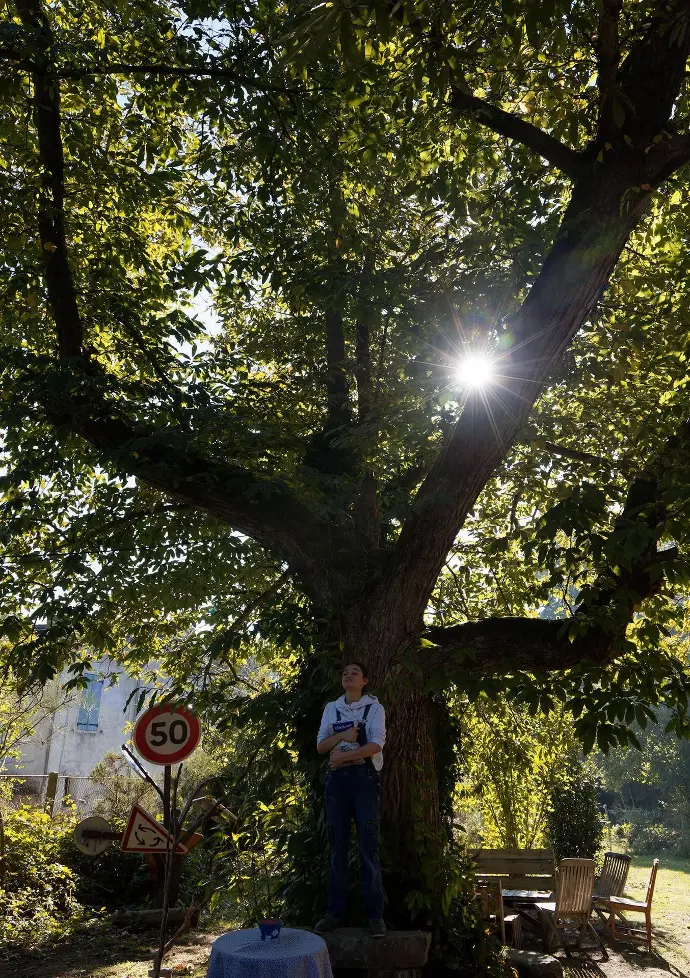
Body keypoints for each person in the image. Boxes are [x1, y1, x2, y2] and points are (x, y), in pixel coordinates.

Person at [314, 662, 387, 938]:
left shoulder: (374, 709)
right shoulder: (331, 708)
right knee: (338, 848)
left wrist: (343, 755)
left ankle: (375, 917)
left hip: (364, 780)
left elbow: (376, 744)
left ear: (365, 680)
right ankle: (334, 914)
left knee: (368, 847)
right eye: (344, 672)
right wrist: (342, 736)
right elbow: (321, 745)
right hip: (337, 784)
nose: (348, 675)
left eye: (354, 672)